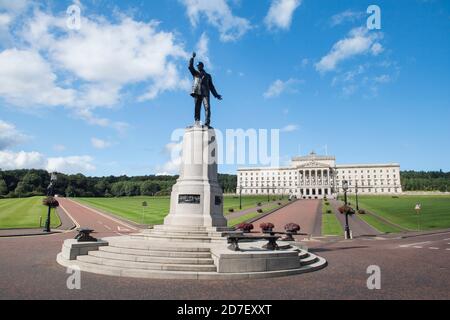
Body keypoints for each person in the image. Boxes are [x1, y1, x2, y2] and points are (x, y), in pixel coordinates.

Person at [189, 52, 222, 127]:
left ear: (202, 66)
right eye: (197, 66)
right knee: (197, 108)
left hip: (205, 93)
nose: (197, 67)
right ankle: (197, 122)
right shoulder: (195, 73)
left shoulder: (208, 76)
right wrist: (192, 58)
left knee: (207, 107)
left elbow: (211, 86)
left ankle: (207, 123)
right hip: (197, 93)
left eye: (198, 66)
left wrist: (216, 95)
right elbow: (190, 67)